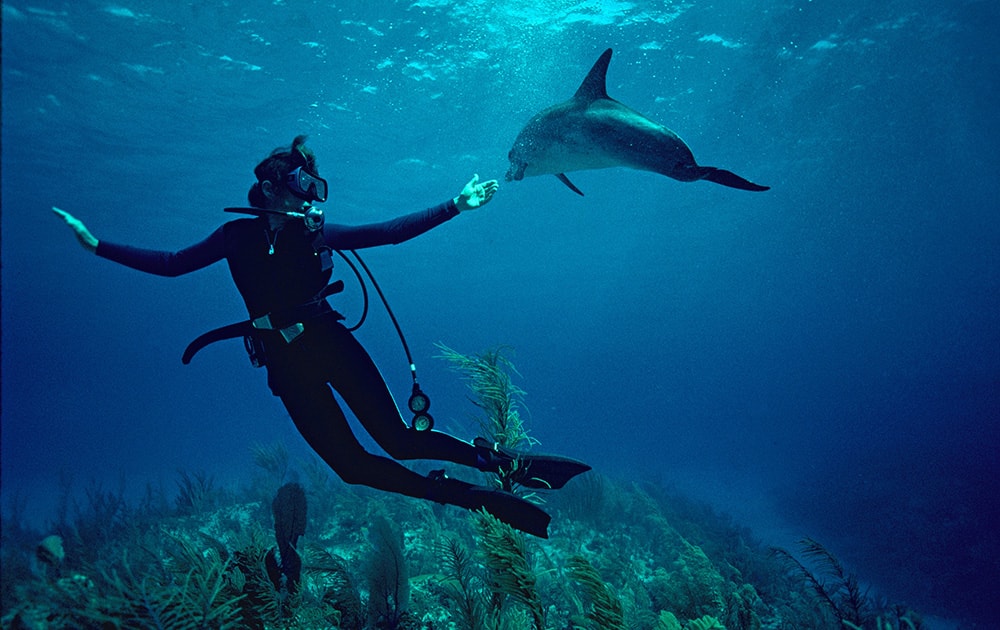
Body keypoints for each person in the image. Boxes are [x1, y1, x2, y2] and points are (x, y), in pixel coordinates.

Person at [53, 135, 588, 538]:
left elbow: (386, 234)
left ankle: (504, 462)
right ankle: (469, 497)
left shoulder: (315, 234)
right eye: (302, 187)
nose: (312, 198)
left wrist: (456, 204)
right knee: (351, 467)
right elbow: (172, 264)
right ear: (269, 189)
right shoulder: (235, 236)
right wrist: (97, 246)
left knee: (399, 440)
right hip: (286, 367)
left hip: (331, 344)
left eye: (315, 187)